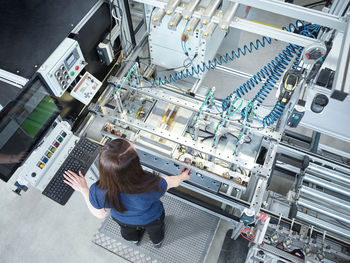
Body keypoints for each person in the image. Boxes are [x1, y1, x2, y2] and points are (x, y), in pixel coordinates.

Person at [63, 138, 190, 248]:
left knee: (128, 234)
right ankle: (157, 243)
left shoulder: (98, 190)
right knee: (156, 232)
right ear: (134, 166)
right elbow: (173, 182)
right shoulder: (152, 184)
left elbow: (100, 214)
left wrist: (84, 189)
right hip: (151, 218)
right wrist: (183, 176)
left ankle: (135, 240)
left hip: (123, 220)